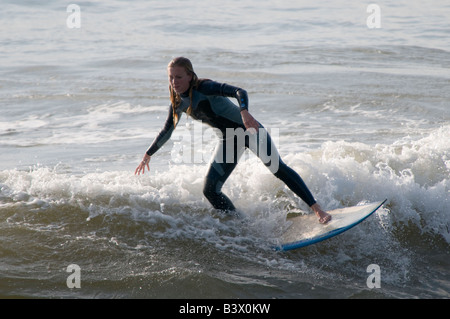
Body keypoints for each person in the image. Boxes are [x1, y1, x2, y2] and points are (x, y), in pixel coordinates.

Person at [135, 57, 331, 224]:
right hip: (229, 141)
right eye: (170, 77)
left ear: (189, 76)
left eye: (178, 77)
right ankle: (241, 225)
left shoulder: (205, 87)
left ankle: (317, 209)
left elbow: (239, 91)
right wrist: (148, 154)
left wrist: (244, 112)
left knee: (277, 168)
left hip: (250, 131)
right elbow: (167, 131)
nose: (174, 81)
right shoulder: (177, 102)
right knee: (210, 190)